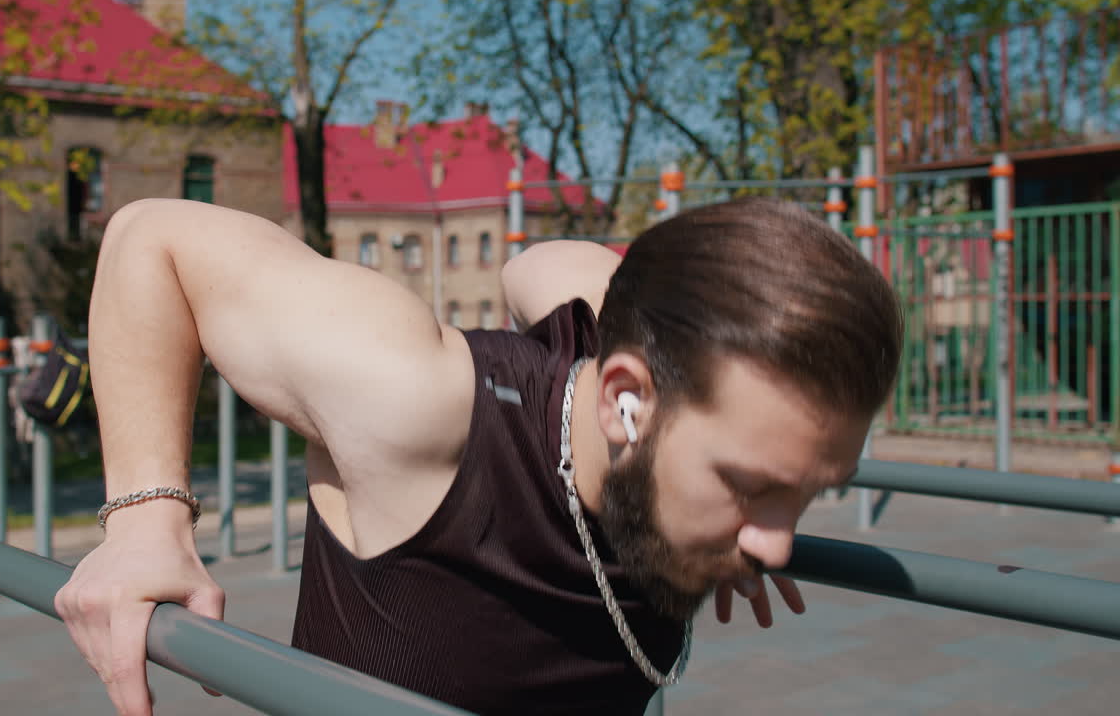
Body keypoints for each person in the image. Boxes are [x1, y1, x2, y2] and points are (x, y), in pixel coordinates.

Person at [54, 196, 903, 716]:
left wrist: (740, 515)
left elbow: (544, 265)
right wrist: (145, 520)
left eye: (806, 493)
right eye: (750, 484)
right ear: (626, 402)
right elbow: (152, 238)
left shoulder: (626, 362)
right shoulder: (416, 398)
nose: (777, 546)